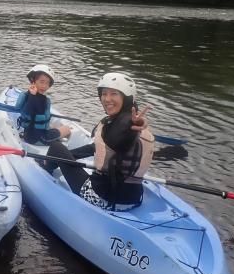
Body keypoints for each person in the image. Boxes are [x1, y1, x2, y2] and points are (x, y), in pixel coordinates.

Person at [43, 72, 153, 211]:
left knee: (56, 147)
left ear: (126, 97)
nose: (107, 99)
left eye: (114, 94)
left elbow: (121, 137)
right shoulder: (128, 119)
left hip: (102, 198)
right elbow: (99, 147)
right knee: (62, 153)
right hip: (134, 200)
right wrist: (68, 156)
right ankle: (56, 159)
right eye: (104, 93)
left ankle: (44, 169)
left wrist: (131, 128)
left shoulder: (127, 124)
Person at [12, 64, 71, 144]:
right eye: (42, 82)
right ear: (33, 81)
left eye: (47, 83)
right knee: (67, 129)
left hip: (28, 136)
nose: (44, 86)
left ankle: (57, 139)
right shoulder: (42, 100)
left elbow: (27, 112)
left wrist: (32, 95)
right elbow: (30, 109)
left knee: (54, 128)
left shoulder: (26, 95)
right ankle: (61, 144)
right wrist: (33, 96)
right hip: (40, 139)